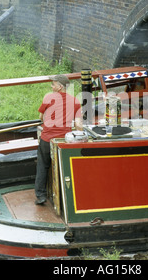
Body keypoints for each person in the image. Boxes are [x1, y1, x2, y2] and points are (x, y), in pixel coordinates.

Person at [35, 74, 82, 205]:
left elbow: (41, 117)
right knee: (62, 167)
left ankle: (40, 196)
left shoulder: (48, 98)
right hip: (63, 140)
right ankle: (63, 197)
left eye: (53, 84)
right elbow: (78, 125)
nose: (51, 86)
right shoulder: (75, 101)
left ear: (60, 86)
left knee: (43, 166)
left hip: (47, 138)